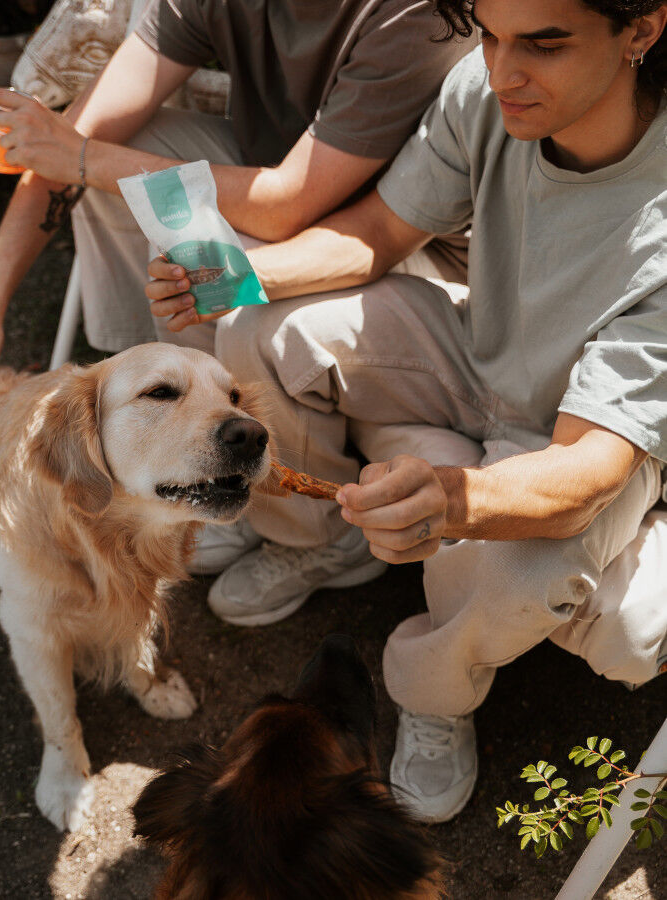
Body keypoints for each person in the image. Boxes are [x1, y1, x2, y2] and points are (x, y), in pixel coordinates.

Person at [145, 0, 667, 823]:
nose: (502, 72)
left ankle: (434, 688)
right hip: (474, 346)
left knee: (527, 566)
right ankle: (320, 543)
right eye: (490, 36)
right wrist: (243, 277)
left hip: (592, 438)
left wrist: (454, 498)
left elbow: (591, 467)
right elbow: (383, 229)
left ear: (642, 28)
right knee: (254, 327)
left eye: (545, 44)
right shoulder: (486, 90)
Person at [0, 0, 474, 419]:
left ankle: (262, 485)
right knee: (134, 156)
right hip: (288, 182)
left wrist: (84, 156)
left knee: (219, 269)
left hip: (412, 243)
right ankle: (150, 392)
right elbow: (76, 140)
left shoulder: (416, 15)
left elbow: (288, 206)